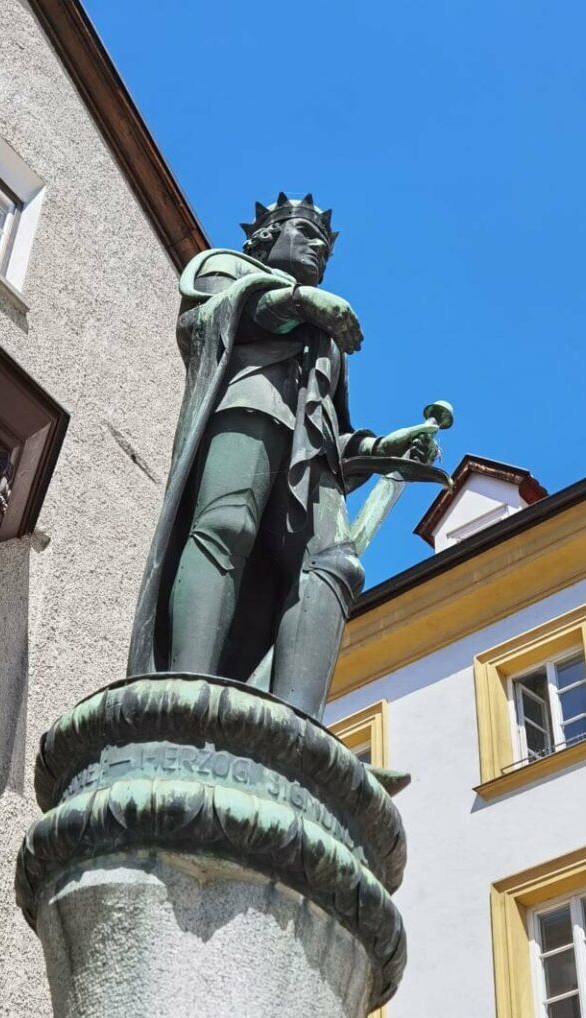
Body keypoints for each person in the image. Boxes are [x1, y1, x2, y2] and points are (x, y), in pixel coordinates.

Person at [128, 193, 440, 719]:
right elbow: (209, 322)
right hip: (249, 405)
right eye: (308, 235)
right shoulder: (226, 267)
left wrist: (383, 448)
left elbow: (333, 437)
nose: (320, 249)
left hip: (311, 462)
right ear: (267, 238)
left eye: (326, 246)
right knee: (225, 528)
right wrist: (297, 302)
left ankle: (294, 722)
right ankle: (187, 692)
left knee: (334, 565)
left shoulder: (327, 338)